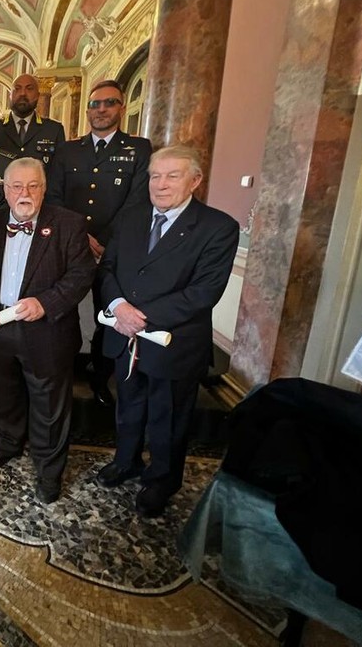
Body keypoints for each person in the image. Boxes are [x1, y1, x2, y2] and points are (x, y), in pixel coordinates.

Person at [98, 144, 238, 518]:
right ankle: (126, 462)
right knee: (129, 406)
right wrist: (118, 306)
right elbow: (107, 268)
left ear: (195, 180)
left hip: (174, 343)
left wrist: (140, 317)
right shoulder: (130, 217)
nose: (160, 184)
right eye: (155, 176)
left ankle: (161, 480)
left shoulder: (217, 227)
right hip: (124, 334)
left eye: (172, 176)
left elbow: (204, 291)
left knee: (169, 417)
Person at [0, 157, 94, 503]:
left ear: (44, 189)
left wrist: (46, 303)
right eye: (17, 186)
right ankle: (8, 442)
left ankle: (48, 469)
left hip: (47, 330)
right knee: (5, 393)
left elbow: (82, 274)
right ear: (5, 190)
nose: (25, 193)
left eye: (33, 186)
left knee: (49, 404)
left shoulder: (69, 223)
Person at [45, 80, 152, 405]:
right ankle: (59, 367)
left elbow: (137, 202)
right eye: (95, 104)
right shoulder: (68, 150)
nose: (101, 109)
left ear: (122, 107)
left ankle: (100, 375)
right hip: (69, 245)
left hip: (113, 249)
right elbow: (54, 196)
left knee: (109, 310)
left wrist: (106, 242)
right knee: (61, 307)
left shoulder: (139, 149)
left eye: (109, 103)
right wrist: (80, 235)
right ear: (88, 110)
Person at [0, 74, 66, 165]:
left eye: (29, 89)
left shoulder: (53, 130)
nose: (23, 93)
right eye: (17, 88)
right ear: (10, 95)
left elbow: (60, 168)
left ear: (38, 95)